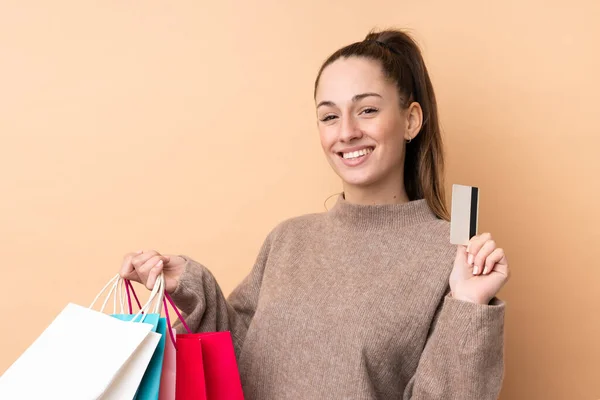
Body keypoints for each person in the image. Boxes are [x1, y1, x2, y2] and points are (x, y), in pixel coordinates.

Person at [120, 29, 510, 399]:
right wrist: (190, 283)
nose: (347, 132)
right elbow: (239, 364)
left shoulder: (452, 258)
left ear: (411, 120)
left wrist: (468, 307)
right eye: (329, 116)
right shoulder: (288, 239)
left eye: (368, 109)